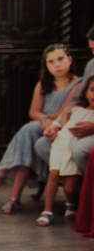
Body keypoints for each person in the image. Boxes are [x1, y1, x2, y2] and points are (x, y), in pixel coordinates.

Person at [0, 44, 79, 213]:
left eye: (60, 59)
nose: (57, 65)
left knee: (28, 130)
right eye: (51, 62)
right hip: (43, 126)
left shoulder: (77, 84)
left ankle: (2, 175)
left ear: (69, 59)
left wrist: (47, 120)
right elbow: (33, 111)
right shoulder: (43, 84)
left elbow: (65, 111)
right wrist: (44, 120)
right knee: (28, 142)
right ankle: (13, 199)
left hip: (62, 126)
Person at [36, 75, 94, 225]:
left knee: (69, 188)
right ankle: (47, 211)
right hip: (60, 145)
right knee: (53, 175)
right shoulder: (73, 110)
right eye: (92, 90)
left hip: (73, 149)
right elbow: (59, 124)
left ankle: (71, 204)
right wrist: (53, 129)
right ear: (85, 93)